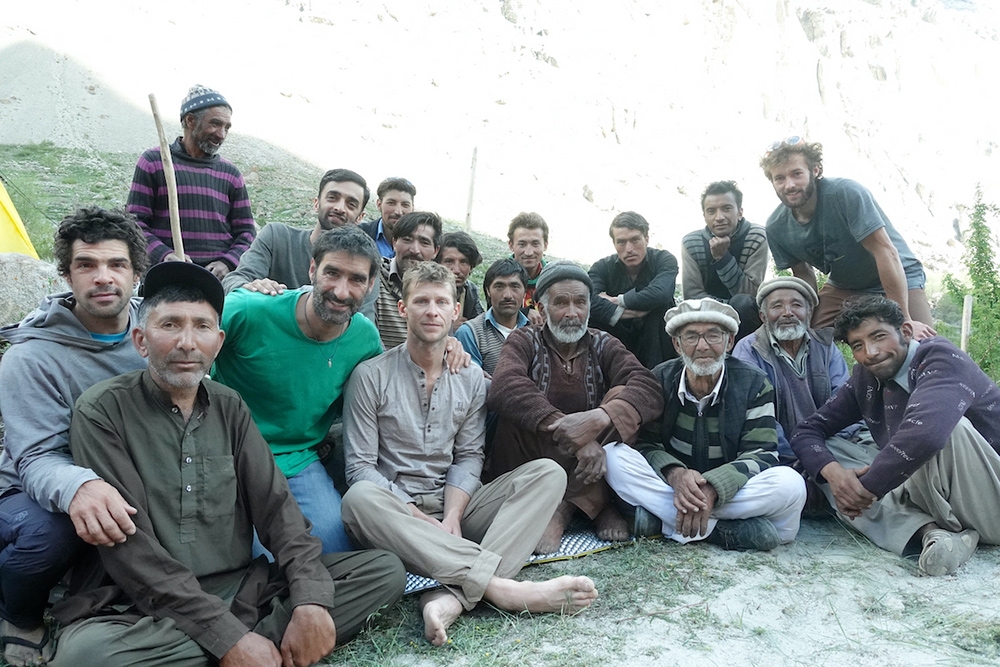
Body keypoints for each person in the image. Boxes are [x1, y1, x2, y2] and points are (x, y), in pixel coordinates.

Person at [49, 261, 404, 667]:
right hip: (144, 604)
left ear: (218, 342)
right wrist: (228, 636)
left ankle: (250, 647)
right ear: (141, 340)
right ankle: (253, 648)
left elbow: (278, 511)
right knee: (87, 656)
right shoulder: (103, 410)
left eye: (201, 327)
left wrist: (309, 601)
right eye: (170, 325)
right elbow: (134, 554)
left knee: (383, 570)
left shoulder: (229, 405)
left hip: (242, 589)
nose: (187, 342)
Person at [340, 261, 597, 648]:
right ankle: (502, 588)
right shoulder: (370, 376)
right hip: (395, 515)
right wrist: (418, 517)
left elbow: (469, 457)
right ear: (402, 309)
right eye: (421, 301)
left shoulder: (472, 378)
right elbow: (360, 468)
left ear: (455, 311)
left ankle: (451, 597)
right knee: (357, 500)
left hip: (455, 510)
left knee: (547, 474)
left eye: (441, 302)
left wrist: (453, 516)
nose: (432, 311)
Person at [0, 207, 149, 667]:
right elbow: (37, 457)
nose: (102, 277)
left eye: (116, 264)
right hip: (31, 488)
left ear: (136, 272)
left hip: (126, 473)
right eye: (86, 265)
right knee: (50, 534)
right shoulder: (32, 358)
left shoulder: (156, 332)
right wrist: (80, 486)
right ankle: (19, 617)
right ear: (66, 274)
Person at [791, 296, 1000, 575]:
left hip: (989, 500)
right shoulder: (866, 379)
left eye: (879, 336)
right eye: (858, 345)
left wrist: (863, 492)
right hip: (932, 493)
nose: (871, 352)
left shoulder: (942, 358)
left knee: (946, 427)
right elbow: (806, 431)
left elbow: (925, 435)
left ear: (905, 331)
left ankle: (934, 526)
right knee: (828, 455)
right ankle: (932, 533)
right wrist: (836, 477)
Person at [211, 227, 385, 554]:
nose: (341, 290)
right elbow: (191, 354)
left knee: (333, 549)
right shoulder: (249, 310)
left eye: (357, 279)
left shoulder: (365, 340)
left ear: (371, 285)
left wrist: (443, 346)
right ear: (311, 269)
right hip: (230, 452)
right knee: (262, 559)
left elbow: (384, 395)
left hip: (299, 459)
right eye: (332, 273)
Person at [486, 261, 664, 553]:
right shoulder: (524, 339)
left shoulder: (603, 343)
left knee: (623, 400)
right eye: (561, 303)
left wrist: (598, 418)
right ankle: (595, 505)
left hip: (590, 458)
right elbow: (504, 387)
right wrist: (573, 435)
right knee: (517, 409)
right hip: (534, 458)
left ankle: (564, 510)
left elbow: (648, 387)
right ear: (542, 311)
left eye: (580, 302)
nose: (572, 312)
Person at [605, 298, 806, 550]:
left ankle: (665, 521)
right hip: (674, 485)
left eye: (713, 335)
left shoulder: (754, 382)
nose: (702, 346)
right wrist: (675, 474)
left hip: (730, 489)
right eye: (691, 337)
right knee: (612, 455)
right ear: (677, 345)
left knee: (791, 484)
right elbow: (646, 443)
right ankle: (720, 532)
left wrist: (713, 487)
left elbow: (762, 452)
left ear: (729, 342)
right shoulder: (660, 378)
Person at [760, 136, 936, 339]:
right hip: (845, 285)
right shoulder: (776, 226)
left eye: (796, 174)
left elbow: (885, 251)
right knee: (811, 337)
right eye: (779, 178)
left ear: (815, 170)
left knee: (921, 342)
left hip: (898, 273)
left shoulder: (845, 194)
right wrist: (806, 317)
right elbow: (803, 274)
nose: (789, 185)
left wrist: (903, 319)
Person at [126, 85, 255, 279]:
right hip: (166, 275)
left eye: (226, 127)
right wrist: (164, 255)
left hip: (218, 280)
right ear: (190, 121)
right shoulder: (154, 161)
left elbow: (246, 232)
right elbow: (134, 224)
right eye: (215, 124)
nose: (221, 134)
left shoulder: (230, 173)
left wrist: (228, 262)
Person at [220, 169, 378, 321]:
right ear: (316, 203)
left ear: (360, 217)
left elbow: (364, 321)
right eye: (332, 198)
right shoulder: (277, 237)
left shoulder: (364, 263)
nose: (339, 208)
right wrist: (252, 287)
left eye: (351, 204)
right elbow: (234, 281)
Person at [732, 276, 851, 464]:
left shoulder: (826, 346)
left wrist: (823, 452)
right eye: (777, 306)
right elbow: (759, 418)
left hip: (831, 445)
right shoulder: (749, 350)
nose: (787, 313)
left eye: (796, 305)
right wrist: (802, 457)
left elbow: (844, 403)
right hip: (776, 452)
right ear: (763, 316)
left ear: (809, 313)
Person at [589, 211, 678, 368]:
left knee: (660, 310)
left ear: (647, 239)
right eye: (621, 242)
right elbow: (588, 300)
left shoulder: (664, 260)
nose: (629, 249)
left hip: (657, 338)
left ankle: (657, 377)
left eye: (635, 240)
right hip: (617, 332)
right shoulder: (601, 267)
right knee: (592, 316)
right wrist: (625, 313)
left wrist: (616, 300)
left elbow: (661, 293)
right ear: (614, 244)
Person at [681, 180, 768, 341]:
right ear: (704, 216)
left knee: (742, 303)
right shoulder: (691, 242)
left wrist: (723, 259)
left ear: (740, 212)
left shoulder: (756, 236)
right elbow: (692, 295)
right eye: (711, 211)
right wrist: (725, 308)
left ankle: (747, 357)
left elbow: (751, 293)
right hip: (705, 312)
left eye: (726, 209)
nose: (719, 217)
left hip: (745, 316)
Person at [374, 211, 442, 349]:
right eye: (407, 239)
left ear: (435, 251)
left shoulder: (441, 289)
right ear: (394, 242)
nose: (415, 250)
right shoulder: (374, 275)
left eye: (424, 242)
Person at [455, 258, 529, 376]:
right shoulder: (470, 333)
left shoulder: (535, 331)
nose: (507, 295)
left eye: (515, 286)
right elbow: (470, 382)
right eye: (499, 286)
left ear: (525, 292)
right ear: (488, 291)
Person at [506, 212, 548, 325]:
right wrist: (523, 313)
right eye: (522, 244)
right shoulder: (499, 277)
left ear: (546, 245)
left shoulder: (554, 278)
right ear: (511, 245)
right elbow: (495, 313)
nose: (529, 252)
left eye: (535, 244)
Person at [437, 231, 484, 331]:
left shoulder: (470, 292)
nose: (457, 270)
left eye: (464, 262)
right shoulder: (425, 290)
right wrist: (448, 328)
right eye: (449, 261)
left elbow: (482, 324)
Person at [359, 177, 416, 258]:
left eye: (405, 205)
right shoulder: (360, 233)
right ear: (379, 205)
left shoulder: (421, 245)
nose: (398, 212)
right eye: (391, 203)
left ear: (412, 208)